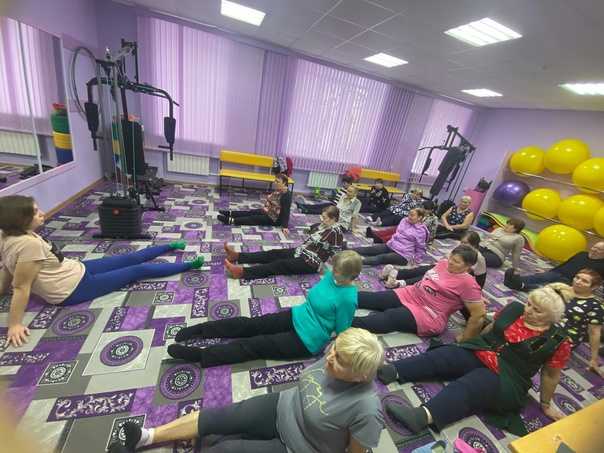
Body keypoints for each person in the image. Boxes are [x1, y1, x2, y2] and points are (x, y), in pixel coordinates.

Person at [113, 328, 384, 453]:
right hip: (281, 405)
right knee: (215, 418)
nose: (330, 356)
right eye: (334, 349)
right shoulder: (333, 356)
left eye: (340, 359)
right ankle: (146, 437)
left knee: (224, 450)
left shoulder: (367, 409)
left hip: (300, 446)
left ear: (359, 375)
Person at [0, 196, 205, 348]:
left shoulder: (8, 235)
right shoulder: (28, 245)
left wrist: (1, 289)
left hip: (75, 270)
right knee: (138, 270)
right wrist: (14, 324)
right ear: (20, 220)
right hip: (72, 288)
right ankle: (189, 265)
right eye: (35, 212)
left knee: (129, 258)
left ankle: (171, 245)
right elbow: (21, 287)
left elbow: (8, 268)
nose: (42, 213)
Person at [378, 285, 574, 436]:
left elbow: (550, 374)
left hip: (509, 376)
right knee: (447, 355)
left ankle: (421, 417)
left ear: (552, 317)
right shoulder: (515, 308)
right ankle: (394, 370)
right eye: (529, 303)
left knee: (474, 383)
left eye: (537, 310)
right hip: (484, 350)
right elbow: (491, 329)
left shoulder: (559, 340)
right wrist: (471, 344)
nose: (529, 310)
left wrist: (546, 404)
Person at [168, 251, 362, 367]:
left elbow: (343, 332)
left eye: (338, 272)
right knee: (250, 324)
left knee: (254, 345)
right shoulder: (332, 276)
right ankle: (201, 330)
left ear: (351, 276)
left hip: (307, 340)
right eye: (334, 269)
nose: (332, 273)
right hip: (297, 315)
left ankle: (202, 355)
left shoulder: (348, 299)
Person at [351, 245, 486, 339]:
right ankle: (339, 297)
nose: (450, 262)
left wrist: (466, 338)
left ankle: (343, 322)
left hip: (428, 313)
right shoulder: (443, 264)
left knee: (390, 316)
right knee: (375, 299)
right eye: (451, 257)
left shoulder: (468, 283)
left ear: (468, 266)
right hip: (412, 294)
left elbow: (478, 314)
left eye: (456, 262)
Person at [223, 206, 343, 280]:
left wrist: (335, 270)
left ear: (334, 219)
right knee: (273, 253)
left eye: (325, 218)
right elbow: (311, 234)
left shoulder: (336, 233)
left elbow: (336, 254)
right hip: (301, 251)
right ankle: (238, 256)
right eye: (322, 217)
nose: (322, 220)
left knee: (279, 265)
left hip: (311, 263)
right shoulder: (323, 226)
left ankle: (242, 272)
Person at [381, 231, 487, 289]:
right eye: (461, 242)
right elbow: (445, 259)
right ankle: (395, 273)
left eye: (465, 243)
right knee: (420, 270)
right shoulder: (460, 249)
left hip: (452, 277)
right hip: (443, 268)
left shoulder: (479, 258)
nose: (462, 244)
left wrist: (476, 291)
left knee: (427, 277)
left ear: (474, 245)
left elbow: (481, 279)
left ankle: (399, 283)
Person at [556, 268, 604, 377]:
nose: (578, 282)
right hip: (548, 324)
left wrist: (594, 358)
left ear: (594, 287)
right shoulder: (563, 290)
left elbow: (594, 333)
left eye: (585, 281)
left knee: (537, 347)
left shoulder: (595, 307)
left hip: (566, 336)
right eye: (577, 277)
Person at [504, 241, 604, 292]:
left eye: (599, 249)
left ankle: (523, 286)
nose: (594, 250)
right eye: (594, 247)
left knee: (550, 289)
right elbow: (566, 263)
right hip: (558, 272)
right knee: (540, 277)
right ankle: (515, 281)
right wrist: (549, 270)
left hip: (571, 281)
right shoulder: (582, 253)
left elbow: (597, 282)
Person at [353, 208, 429, 267]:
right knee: (371, 249)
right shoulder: (404, 220)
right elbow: (398, 234)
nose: (409, 216)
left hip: (402, 255)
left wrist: (416, 261)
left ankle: (353, 262)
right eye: (409, 214)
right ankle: (346, 249)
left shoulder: (421, 231)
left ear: (419, 217)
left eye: (412, 215)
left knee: (381, 258)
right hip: (391, 245)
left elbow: (420, 247)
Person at [218, 173, 292, 228]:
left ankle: (230, 220)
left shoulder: (287, 195)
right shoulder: (279, 189)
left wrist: (285, 226)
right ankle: (230, 213)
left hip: (275, 219)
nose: (275, 183)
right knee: (251, 212)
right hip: (268, 211)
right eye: (275, 181)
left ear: (284, 183)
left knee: (253, 218)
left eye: (277, 182)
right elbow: (272, 201)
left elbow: (286, 211)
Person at [366, 200, 438, 245]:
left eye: (426, 209)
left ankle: (381, 239)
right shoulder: (420, 213)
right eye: (423, 208)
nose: (424, 210)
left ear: (431, 210)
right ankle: (375, 233)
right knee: (395, 229)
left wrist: (427, 242)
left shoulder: (434, 219)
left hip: (419, 236)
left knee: (400, 234)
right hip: (411, 229)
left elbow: (432, 233)